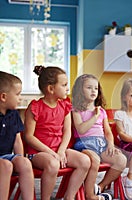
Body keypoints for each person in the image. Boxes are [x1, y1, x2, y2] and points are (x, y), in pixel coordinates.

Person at [23, 66, 90, 200]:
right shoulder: (35, 107)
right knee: (53, 164)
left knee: (84, 161)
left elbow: (67, 132)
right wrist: (52, 153)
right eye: (64, 85)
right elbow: (28, 136)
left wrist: (61, 151)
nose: (67, 88)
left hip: (59, 150)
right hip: (38, 153)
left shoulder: (64, 105)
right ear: (51, 89)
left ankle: (69, 197)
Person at [72, 74, 127, 200]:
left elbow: (107, 132)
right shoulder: (76, 110)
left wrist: (111, 145)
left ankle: (100, 186)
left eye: (95, 88)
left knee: (121, 160)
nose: (93, 91)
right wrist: (95, 117)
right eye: (89, 88)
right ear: (80, 90)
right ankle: (90, 195)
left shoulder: (101, 111)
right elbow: (81, 129)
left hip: (102, 144)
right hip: (84, 144)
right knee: (95, 160)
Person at [0, 71, 34, 200]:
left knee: (24, 162)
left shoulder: (13, 114)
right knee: (6, 166)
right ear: (3, 97)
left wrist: (19, 158)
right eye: (18, 94)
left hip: (6, 156)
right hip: (2, 162)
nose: (20, 98)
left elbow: (17, 140)